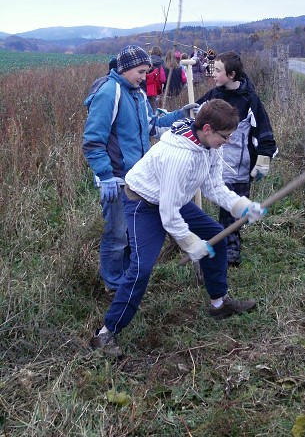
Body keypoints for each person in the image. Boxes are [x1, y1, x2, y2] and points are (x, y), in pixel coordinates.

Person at [90, 99, 266, 357]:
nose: (227, 142)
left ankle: (219, 302)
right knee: (142, 268)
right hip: (144, 202)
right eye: (224, 137)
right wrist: (190, 243)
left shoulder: (209, 147)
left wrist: (242, 206)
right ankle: (106, 333)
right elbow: (168, 213)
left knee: (215, 235)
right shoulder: (179, 156)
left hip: (172, 198)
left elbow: (214, 187)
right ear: (207, 129)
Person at [83, 45, 198, 302]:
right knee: (116, 234)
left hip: (138, 180)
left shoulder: (137, 95)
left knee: (130, 233)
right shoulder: (109, 93)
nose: (144, 77)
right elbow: (93, 140)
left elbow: (151, 127)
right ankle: (113, 285)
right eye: (140, 71)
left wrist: (181, 115)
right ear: (124, 69)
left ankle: (125, 276)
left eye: (147, 72)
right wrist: (105, 175)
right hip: (115, 179)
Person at [196, 51, 277, 266]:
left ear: (231, 75)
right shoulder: (214, 95)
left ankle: (231, 249)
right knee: (224, 206)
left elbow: (264, 129)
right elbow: (196, 116)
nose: (213, 73)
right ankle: (213, 243)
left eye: (218, 70)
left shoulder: (250, 100)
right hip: (216, 163)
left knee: (233, 213)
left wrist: (264, 157)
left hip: (239, 166)